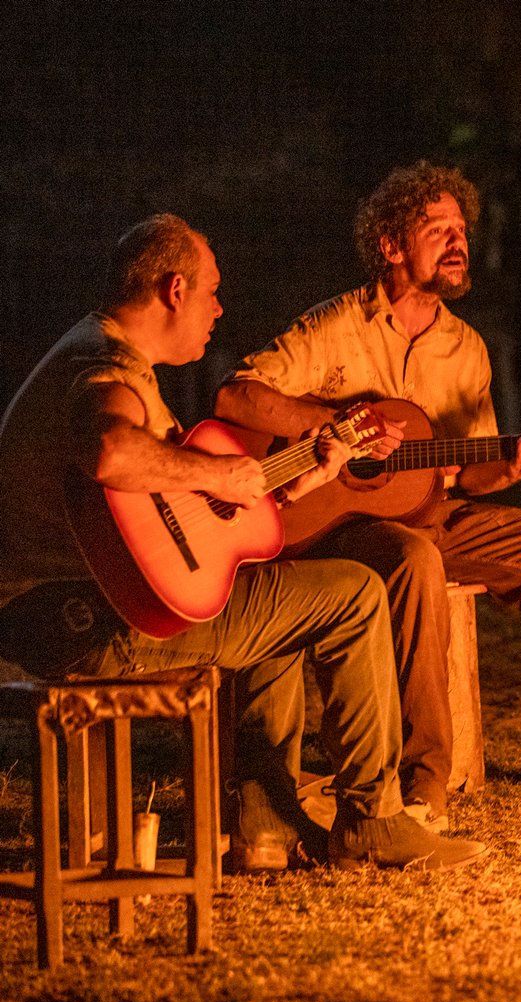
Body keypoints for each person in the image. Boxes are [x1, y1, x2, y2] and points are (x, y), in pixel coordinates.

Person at [0, 214, 485, 871]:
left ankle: (264, 830)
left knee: (273, 583)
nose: (219, 308)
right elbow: (111, 450)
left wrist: (295, 482)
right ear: (174, 289)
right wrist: (220, 471)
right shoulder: (103, 365)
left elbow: (183, 513)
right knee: (358, 595)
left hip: (77, 607)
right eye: (211, 290)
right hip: (79, 616)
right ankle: (373, 819)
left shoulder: (108, 355)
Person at [215, 162, 521, 823]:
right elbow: (236, 395)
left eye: (461, 228)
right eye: (436, 228)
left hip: (435, 510)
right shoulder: (336, 326)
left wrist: (515, 468)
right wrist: (327, 426)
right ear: (390, 245)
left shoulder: (466, 349)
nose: (457, 240)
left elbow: (472, 471)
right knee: (415, 559)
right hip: (338, 525)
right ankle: (424, 780)